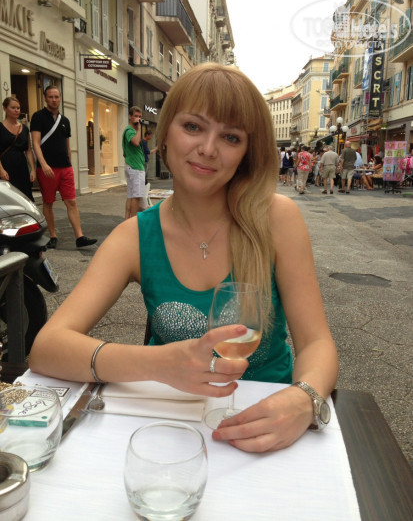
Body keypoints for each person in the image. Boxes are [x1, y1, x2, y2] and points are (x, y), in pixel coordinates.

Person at [29, 63, 338, 454]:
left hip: (270, 423)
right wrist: (156, 363)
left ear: (246, 152)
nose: (208, 148)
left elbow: (316, 342)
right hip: (170, 430)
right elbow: (46, 348)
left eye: (230, 136)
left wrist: (305, 398)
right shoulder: (134, 237)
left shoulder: (276, 219)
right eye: (193, 127)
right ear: (164, 134)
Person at [31, 86, 97, 249]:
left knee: (71, 201)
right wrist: (43, 164)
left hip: (65, 168)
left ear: (60, 98)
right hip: (48, 168)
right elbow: (35, 143)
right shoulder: (38, 117)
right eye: (51, 97)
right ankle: (53, 236)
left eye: (56, 97)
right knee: (48, 202)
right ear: (45, 98)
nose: (54, 100)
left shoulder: (65, 121)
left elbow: (67, 145)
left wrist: (70, 164)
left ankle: (79, 237)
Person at [0, 97, 35, 200]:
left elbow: (28, 150)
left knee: (24, 198)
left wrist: (33, 170)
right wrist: (1, 170)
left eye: (18, 108)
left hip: (22, 168)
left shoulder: (25, 128)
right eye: (13, 108)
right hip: (5, 166)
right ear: (5, 109)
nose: (16, 110)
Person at [123, 106, 148, 219]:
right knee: (136, 197)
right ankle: (133, 221)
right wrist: (139, 129)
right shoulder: (130, 131)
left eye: (139, 116)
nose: (138, 118)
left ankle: (127, 220)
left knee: (131, 195)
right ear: (130, 117)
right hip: (135, 167)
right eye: (136, 116)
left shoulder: (131, 130)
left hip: (132, 166)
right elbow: (136, 142)